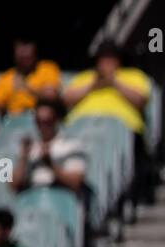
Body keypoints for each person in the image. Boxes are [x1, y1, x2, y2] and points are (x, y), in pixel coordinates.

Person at [61, 41, 154, 204]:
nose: (107, 62)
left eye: (111, 58)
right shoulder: (85, 77)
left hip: (123, 131)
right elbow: (66, 99)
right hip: (81, 130)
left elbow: (140, 100)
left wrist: (114, 82)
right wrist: (93, 85)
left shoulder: (133, 76)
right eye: (103, 58)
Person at [0, 37, 60, 116]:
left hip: (40, 119)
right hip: (14, 120)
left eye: (28, 57)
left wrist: (26, 87)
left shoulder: (47, 68)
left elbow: (51, 96)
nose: (24, 60)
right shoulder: (6, 77)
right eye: (21, 57)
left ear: (35, 54)